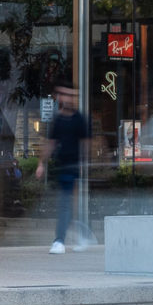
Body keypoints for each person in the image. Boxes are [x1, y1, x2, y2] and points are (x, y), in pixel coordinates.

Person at [47, 83, 89, 253]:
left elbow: (86, 143)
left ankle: (60, 240)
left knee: (65, 203)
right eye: (63, 94)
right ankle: (81, 235)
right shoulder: (58, 120)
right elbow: (51, 142)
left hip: (72, 167)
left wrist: (84, 165)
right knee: (66, 204)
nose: (66, 98)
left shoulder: (79, 119)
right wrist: (42, 164)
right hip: (61, 166)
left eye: (70, 95)